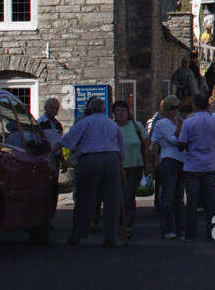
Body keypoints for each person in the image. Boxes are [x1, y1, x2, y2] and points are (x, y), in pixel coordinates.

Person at [60, 97, 125, 247]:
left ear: (90, 109)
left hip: (90, 160)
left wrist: (51, 152)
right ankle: (111, 237)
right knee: (112, 200)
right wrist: (121, 168)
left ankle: (78, 234)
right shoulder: (112, 124)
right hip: (111, 160)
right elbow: (121, 149)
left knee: (84, 198)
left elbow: (66, 141)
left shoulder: (85, 122)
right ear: (103, 109)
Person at [177, 93, 215, 241]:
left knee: (191, 201)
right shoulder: (214, 122)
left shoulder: (188, 123)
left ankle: (190, 233)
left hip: (192, 165)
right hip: (210, 164)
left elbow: (181, 144)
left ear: (194, 105)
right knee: (212, 200)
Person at [112, 101, 150, 244]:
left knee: (128, 195)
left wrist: (147, 165)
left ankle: (127, 224)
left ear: (128, 112)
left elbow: (146, 145)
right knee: (117, 196)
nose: (121, 113)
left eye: (123, 110)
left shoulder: (137, 126)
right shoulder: (112, 127)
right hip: (115, 167)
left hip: (134, 166)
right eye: (118, 111)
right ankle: (117, 223)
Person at [149, 98, 186, 239]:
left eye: (177, 107)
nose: (175, 111)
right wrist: (180, 127)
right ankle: (168, 228)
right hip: (169, 160)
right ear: (166, 109)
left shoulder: (178, 121)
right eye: (171, 108)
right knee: (168, 197)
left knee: (179, 197)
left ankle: (180, 227)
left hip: (182, 160)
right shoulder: (162, 123)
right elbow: (173, 140)